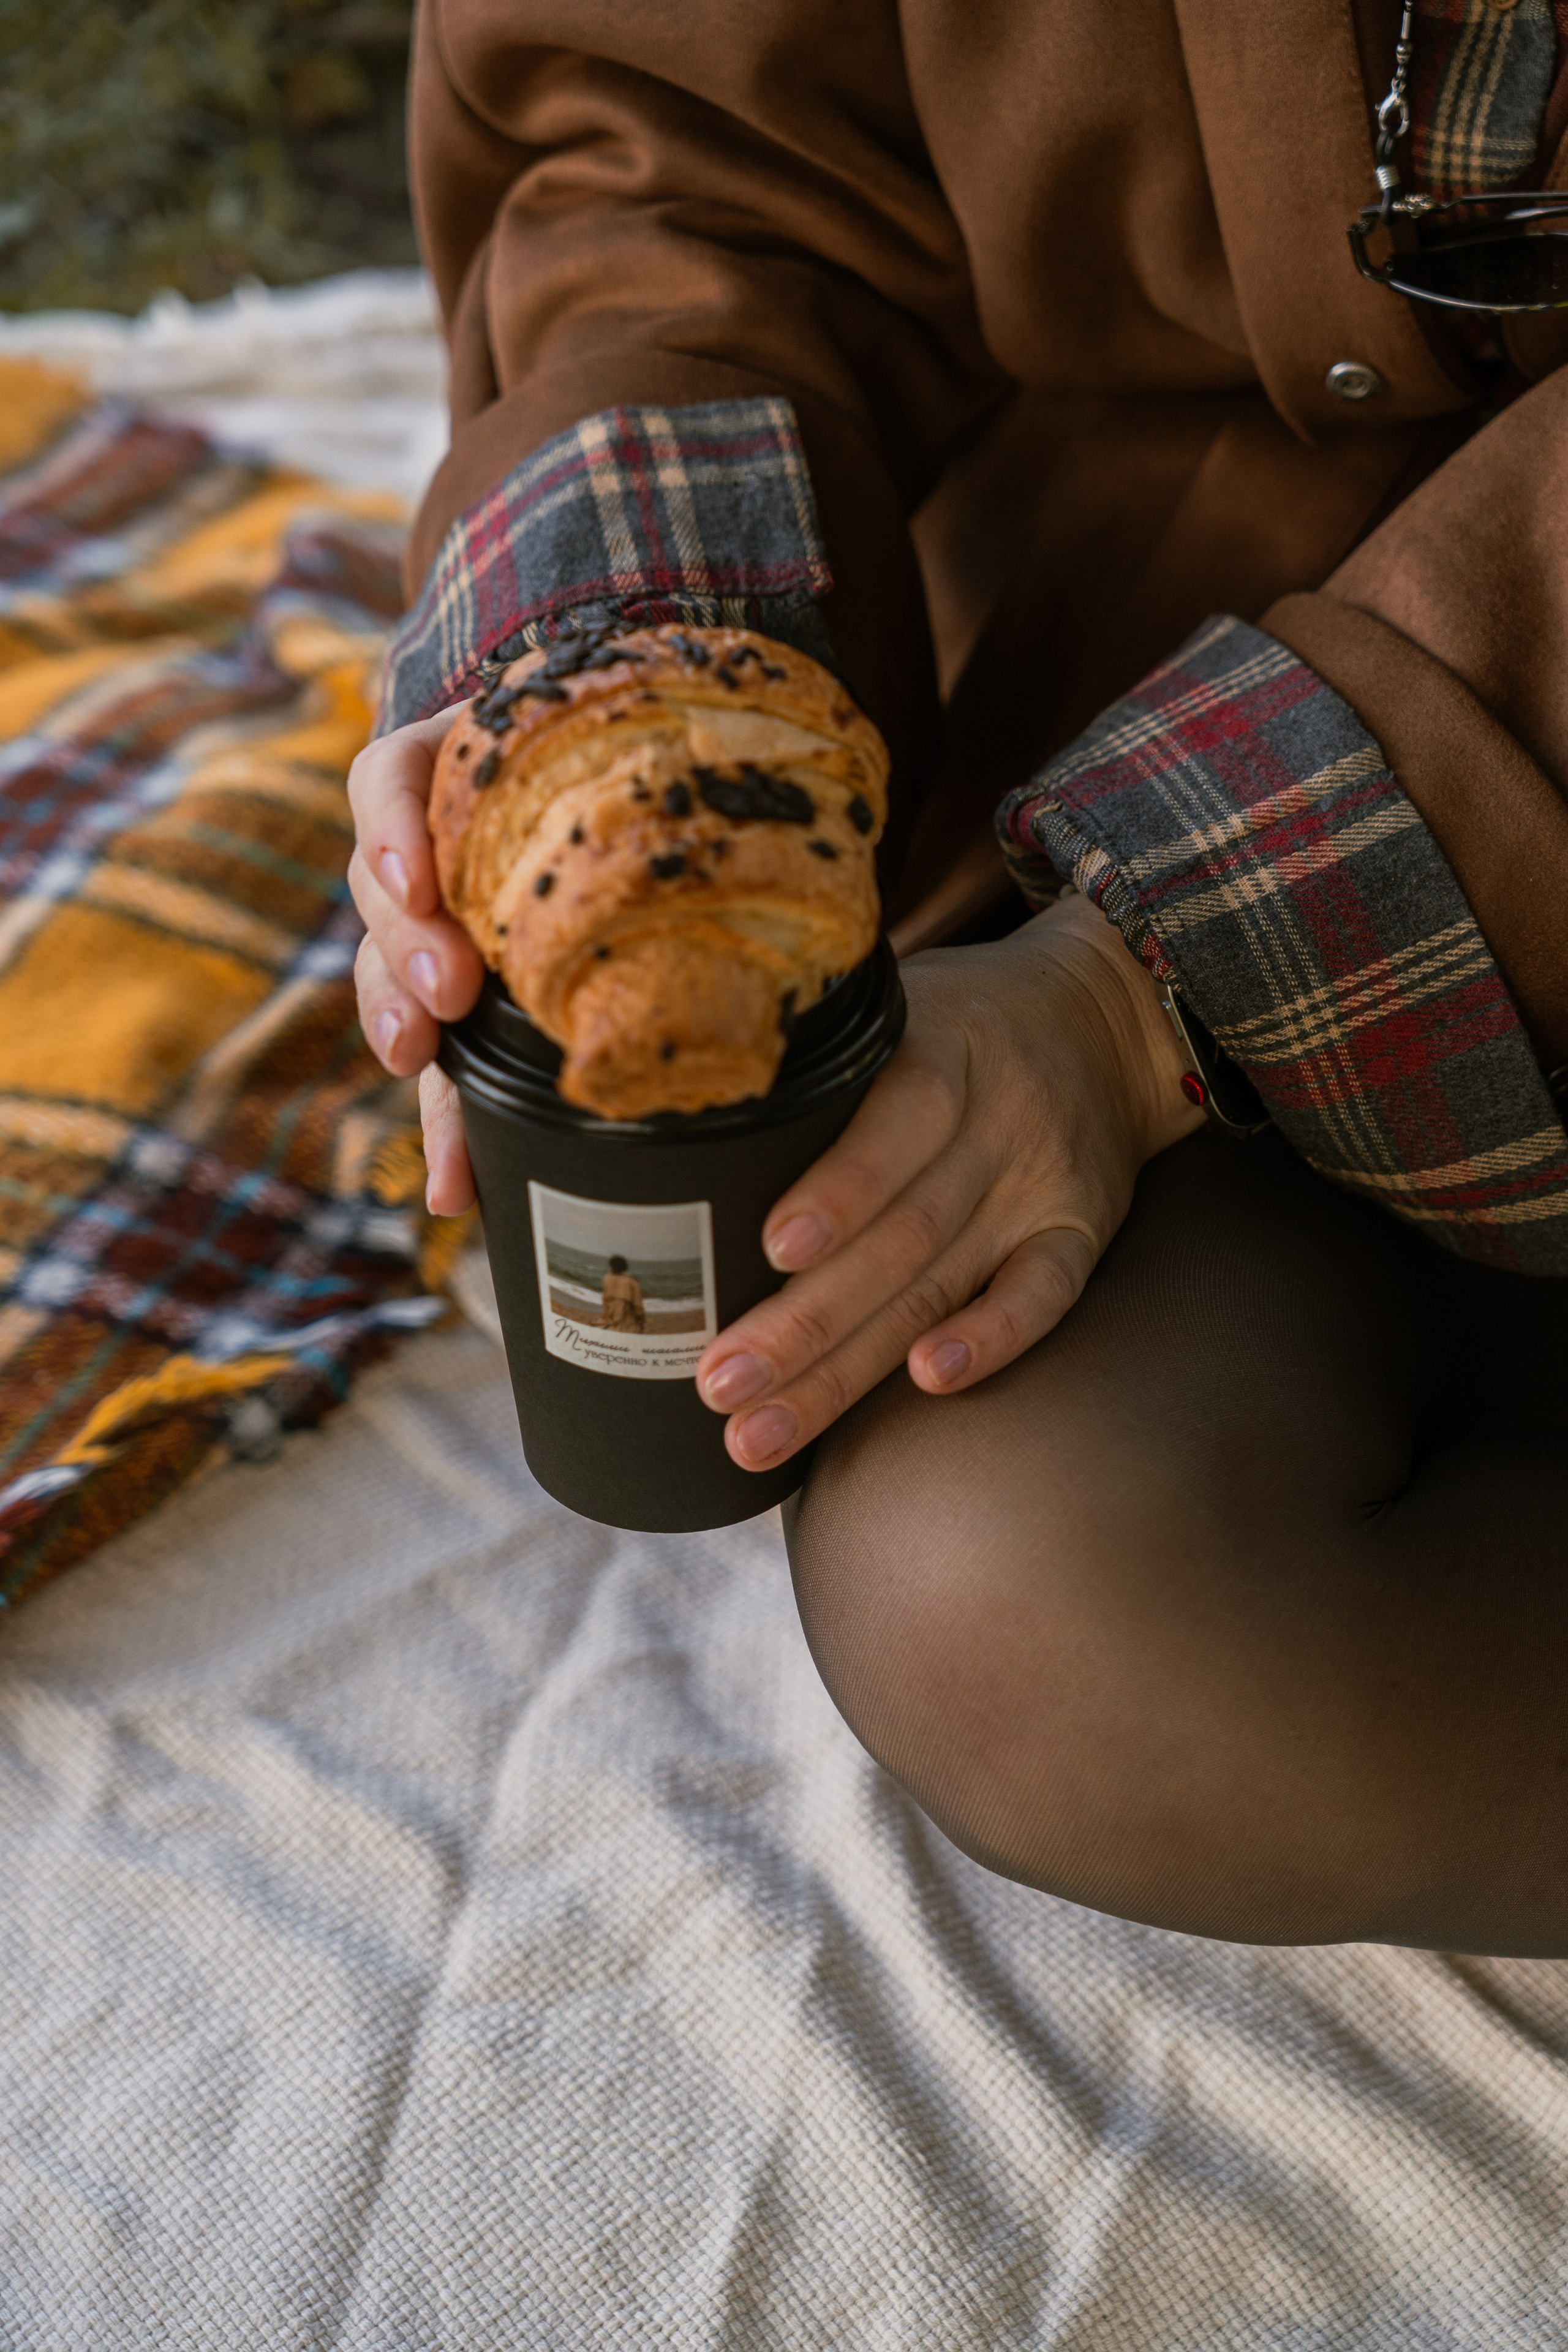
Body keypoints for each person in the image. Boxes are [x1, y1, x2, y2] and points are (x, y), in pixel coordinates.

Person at [349, 0, 1568, 1955]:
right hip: (1132, 735)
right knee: (1022, 1607)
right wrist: (609, 690)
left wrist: (1142, 990)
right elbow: (673, 147)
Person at [600, 1256, 647, 1335]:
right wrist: (641, 1320)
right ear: (626, 1267)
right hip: (626, 1322)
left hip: (609, 1318)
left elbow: (605, 1299)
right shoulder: (633, 1282)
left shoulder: (607, 1278)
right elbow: (638, 1306)